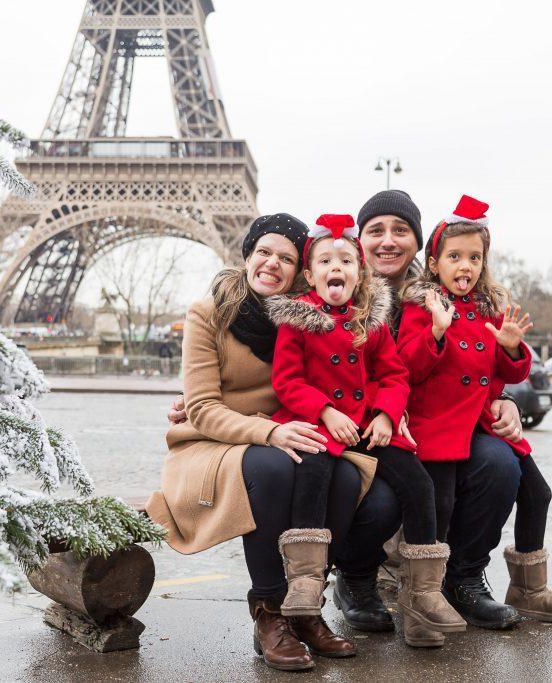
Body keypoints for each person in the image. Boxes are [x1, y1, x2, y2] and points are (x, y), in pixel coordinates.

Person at [146, 214, 384, 671]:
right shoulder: (209, 313)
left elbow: (363, 371)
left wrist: (394, 409)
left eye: (286, 258)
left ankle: (305, 608)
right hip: (214, 440)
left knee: (340, 475)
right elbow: (202, 408)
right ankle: (269, 612)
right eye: (264, 252)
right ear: (248, 255)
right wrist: (269, 431)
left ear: (301, 271)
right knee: (273, 468)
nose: (272, 263)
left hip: (293, 430)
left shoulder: (312, 316)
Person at [330, 189, 528, 636]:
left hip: (430, 426)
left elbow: (485, 357)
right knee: (382, 499)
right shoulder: (334, 286)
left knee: (500, 465)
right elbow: (287, 356)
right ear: (357, 239)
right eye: (375, 230)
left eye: (400, 230)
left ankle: (462, 578)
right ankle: (355, 577)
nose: (387, 240)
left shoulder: (445, 293)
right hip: (358, 426)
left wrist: (505, 398)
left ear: (420, 245)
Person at [265, 214, 464, 646]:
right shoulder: (295, 320)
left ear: (360, 272)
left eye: (345, 261)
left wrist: (387, 415)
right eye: (325, 261)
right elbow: (287, 381)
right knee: (311, 476)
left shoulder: (368, 322)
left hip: (369, 426)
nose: (335, 268)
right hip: (321, 425)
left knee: (420, 486)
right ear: (310, 274)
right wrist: (324, 412)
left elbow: (394, 375)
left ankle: (423, 595)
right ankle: (305, 580)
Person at [397, 195, 552, 624]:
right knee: (443, 503)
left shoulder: (488, 309)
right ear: (434, 263)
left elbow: (507, 375)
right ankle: (434, 589)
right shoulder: (421, 306)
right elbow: (408, 367)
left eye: (475, 257)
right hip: (440, 425)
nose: (465, 266)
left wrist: (513, 347)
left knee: (537, 491)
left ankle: (523, 587)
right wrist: (438, 333)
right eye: (455, 256)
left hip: (479, 421)